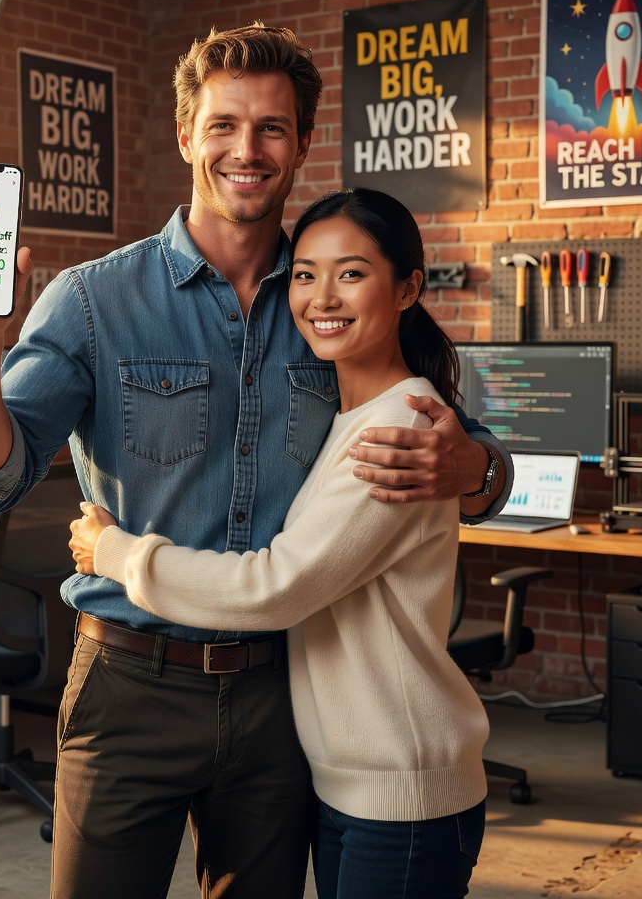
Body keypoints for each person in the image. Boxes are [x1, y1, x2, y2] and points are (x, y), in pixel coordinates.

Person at [0, 23, 510, 899]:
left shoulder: (329, 296)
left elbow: (465, 445)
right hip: (129, 686)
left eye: (272, 128)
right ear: (187, 136)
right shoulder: (91, 301)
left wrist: (476, 472)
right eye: (224, 125)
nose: (247, 150)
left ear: (302, 143)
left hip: (282, 697)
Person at [69, 187, 488, 899]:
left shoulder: (399, 431)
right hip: (349, 780)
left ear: (408, 289)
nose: (322, 297)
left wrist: (117, 554)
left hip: (403, 781)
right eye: (306, 274)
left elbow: (277, 587)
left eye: (351, 273)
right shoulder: (350, 419)